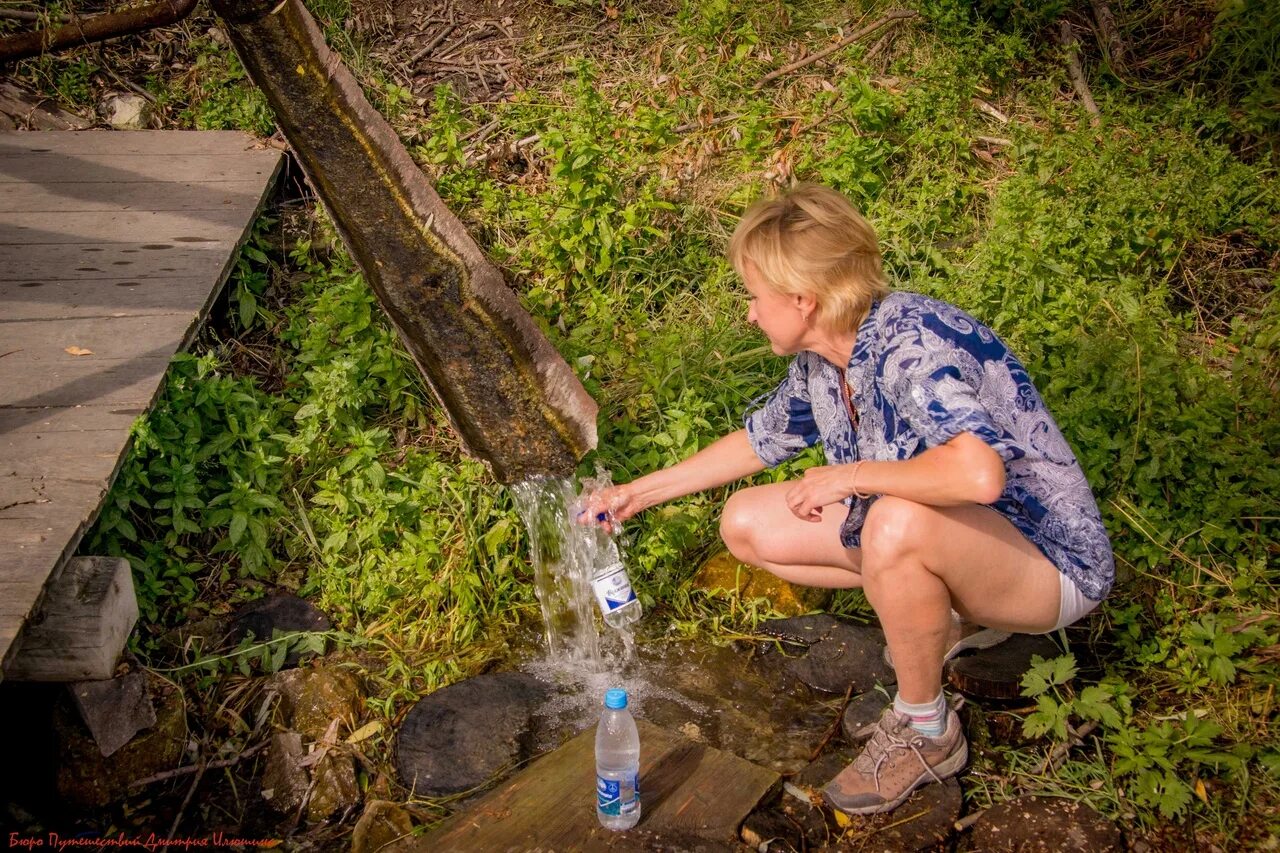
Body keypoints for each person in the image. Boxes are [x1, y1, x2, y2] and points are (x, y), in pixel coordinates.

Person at [586, 183, 1115, 815]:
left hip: (1048, 565)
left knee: (890, 524)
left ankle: (926, 730)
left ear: (803, 300)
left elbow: (980, 476)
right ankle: (941, 616)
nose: (749, 313)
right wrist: (636, 495)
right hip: (963, 544)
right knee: (747, 522)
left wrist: (851, 476)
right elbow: (759, 441)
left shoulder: (909, 344)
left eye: (755, 296)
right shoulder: (824, 357)